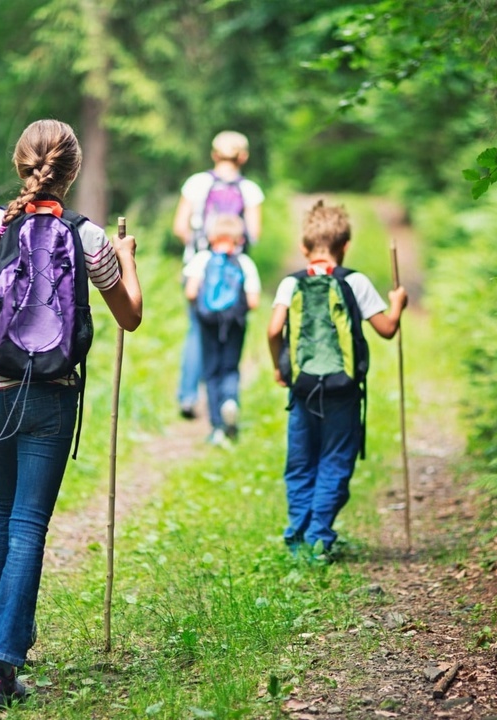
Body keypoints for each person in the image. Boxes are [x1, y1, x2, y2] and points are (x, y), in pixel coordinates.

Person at [0, 119, 142, 709]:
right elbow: (129, 316)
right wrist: (126, 259)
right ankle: (0, 664)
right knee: (28, 522)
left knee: (4, 509)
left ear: (18, 163)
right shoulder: (89, 237)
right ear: (71, 172)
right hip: (51, 396)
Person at [266, 200, 407, 561]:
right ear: (346, 246)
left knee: (300, 463)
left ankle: (298, 539)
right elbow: (387, 330)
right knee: (335, 461)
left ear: (304, 248)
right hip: (343, 390)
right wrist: (397, 303)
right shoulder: (354, 281)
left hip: (302, 387)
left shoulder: (290, 284)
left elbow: (273, 329)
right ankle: (320, 537)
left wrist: (280, 366)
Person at [172, 130, 264, 420]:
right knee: (232, 332)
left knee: (196, 331)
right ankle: (228, 393)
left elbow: (179, 226)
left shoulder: (197, 183)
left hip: (199, 267)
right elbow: (255, 234)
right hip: (236, 274)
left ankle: (188, 397)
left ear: (214, 154)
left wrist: (200, 250)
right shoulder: (250, 190)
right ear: (243, 157)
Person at [183, 213, 261, 446]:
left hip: (208, 324)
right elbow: (254, 301)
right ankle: (231, 403)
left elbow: (191, 292)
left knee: (211, 371)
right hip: (235, 325)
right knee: (230, 368)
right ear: (239, 239)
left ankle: (217, 425)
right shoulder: (245, 263)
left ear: (211, 236)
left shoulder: (202, 259)